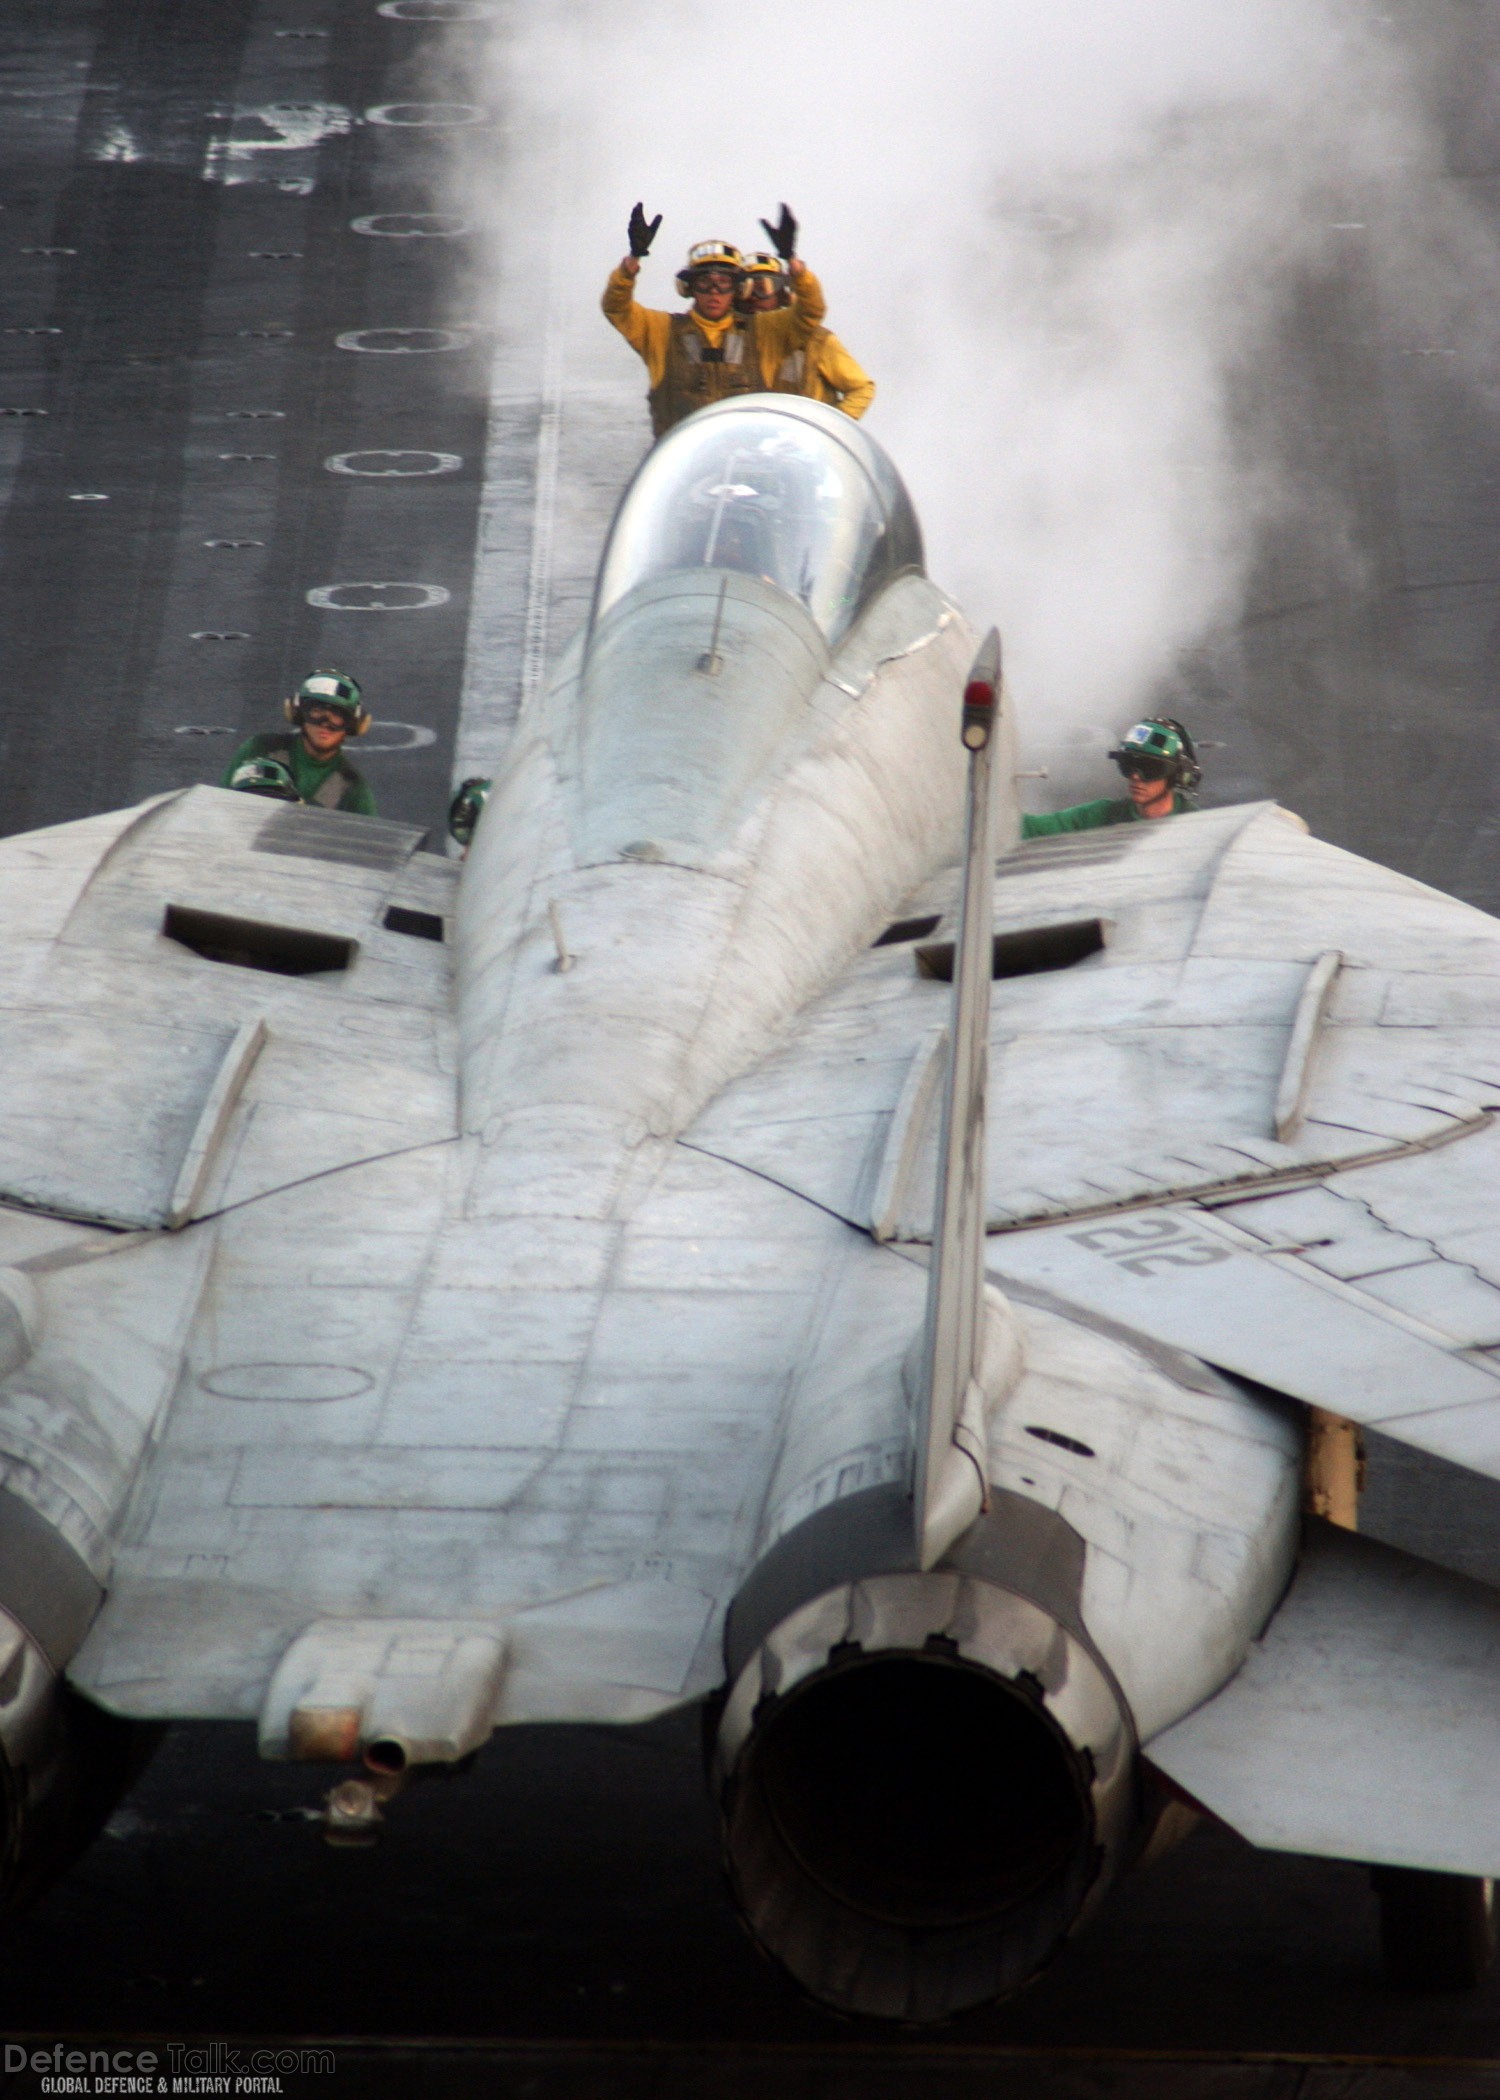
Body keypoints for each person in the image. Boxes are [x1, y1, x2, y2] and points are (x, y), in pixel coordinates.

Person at [601, 201, 825, 438]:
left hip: (749, 465)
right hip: (684, 467)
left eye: (724, 283)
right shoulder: (661, 331)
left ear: (740, 289)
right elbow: (616, 309)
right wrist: (632, 262)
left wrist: (793, 263)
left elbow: (811, 312)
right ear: (688, 288)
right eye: (704, 283)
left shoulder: (763, 332)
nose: (714, 292)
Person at [740, 250, 875, 419]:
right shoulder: (735, 343)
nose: (753, 298)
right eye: (745, 288)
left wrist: (830, 426)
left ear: (782, 294)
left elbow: (862, 388)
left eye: (763, 288)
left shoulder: (817, 341)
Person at [221, 669, 377, 815]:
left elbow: (367, 841)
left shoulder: (353, 790)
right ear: (298, 713)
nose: (325, 724)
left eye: (337, 716)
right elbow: (221, 805)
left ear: (353, 724)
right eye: (316, 711)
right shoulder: (259, 749)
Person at [1020, 718, 1200, 837]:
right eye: (1128, 765)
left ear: (1176, 775)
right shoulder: (1103, 815)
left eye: (1149, 768)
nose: (1136, 777)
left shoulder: (1195, 827)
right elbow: (1033, 828)